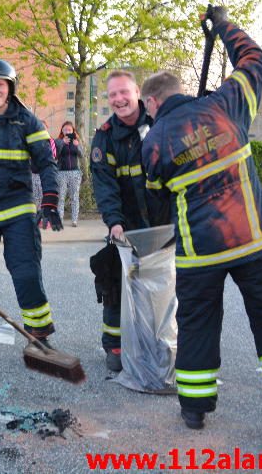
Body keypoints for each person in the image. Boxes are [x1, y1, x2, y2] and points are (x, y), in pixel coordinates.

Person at [141, 7, 262, 434]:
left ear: (151, 103)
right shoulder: (227, 105)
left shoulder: (156, 143)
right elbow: (254, 59)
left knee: (198, 324)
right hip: (253, 240)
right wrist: (222, 26)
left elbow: (157, 197)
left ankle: (195, 411)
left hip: (200, 254)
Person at [0, 56, 62, 360]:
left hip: (17, 209)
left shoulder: (27, 121)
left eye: (0, 84)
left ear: (10, 87)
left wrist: (50, 199)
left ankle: (39, 338)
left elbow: (47, 162)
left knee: (27, 274)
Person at [89, 70, 153, 372]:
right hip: (124, 226)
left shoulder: (158, 125)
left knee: (162, 290)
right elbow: (104, 185)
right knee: (114, 284)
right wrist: (114, 223)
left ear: (137, 92)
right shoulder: (104, 136)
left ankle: (157, 343)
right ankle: (113, 347)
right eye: (112, 94)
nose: (118, 99)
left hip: (161, 225)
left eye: (123, 92)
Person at [55, 121, 83, 227]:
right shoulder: (58, 141)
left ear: (73, 131)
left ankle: (74, 220)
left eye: (69, 130)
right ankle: (60, 219)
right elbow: (55, 155)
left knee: (74, 197)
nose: (67, 131)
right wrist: (62, 142)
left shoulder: (76, 141)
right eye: (65, 129)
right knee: (61, 197)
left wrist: (78, 145)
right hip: (61, 173)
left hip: (75, 172)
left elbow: (82, 155)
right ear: (62, 130)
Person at [32, 120, 57, 209]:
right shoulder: (31, 141)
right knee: (34, 197)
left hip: (46, 173)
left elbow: (53, 156)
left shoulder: (51, 141)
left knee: (45, 196)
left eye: (43, 127)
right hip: (34, 173)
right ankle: (36, 215)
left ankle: (43, 216)